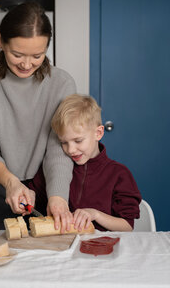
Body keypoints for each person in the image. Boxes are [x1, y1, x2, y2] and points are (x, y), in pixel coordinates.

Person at [0, 2, 76, 230]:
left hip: (48, 184)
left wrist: (58, 196)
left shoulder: (62, 84)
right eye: (17, 54)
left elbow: (58, 147)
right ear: (1, 42)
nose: (27, 64)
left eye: (37, 55)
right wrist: (10, 182)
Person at [30, 94, 142, 232]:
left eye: (78, 141)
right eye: (64, 142)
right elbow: (33, 197)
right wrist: (25, 199)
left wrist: (95, 214)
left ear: (98, 133)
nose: (70, 150)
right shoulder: (56, 170)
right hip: (61, 247)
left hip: (103, 248)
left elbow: (127, 226)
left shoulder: (119, 174)